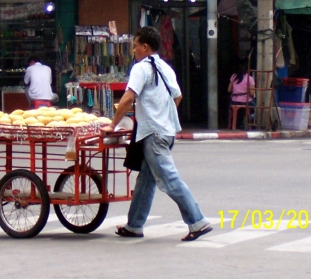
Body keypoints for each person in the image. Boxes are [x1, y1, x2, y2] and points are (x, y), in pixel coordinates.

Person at [103, 26, 211, 241]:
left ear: (145, 47)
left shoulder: (141, 68)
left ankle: (198, 221)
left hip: (153, 134)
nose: (133, 51)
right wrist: (164, 116)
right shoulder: (166, 67)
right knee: (146, 180)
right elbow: (177, 97)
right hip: (167, 131)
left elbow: (127, 98)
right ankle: (134, 225)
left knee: (169, 179)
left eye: (135, 46)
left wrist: (112, 125)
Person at [227, 58, 256, 129]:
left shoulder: (233, 76)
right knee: (255, 108)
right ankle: (250, 123)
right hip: (245, 101)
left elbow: (229, 90)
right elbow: (252, 93)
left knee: (236, 110)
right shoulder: (250, 78)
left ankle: (237, 124)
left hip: (234, 101)